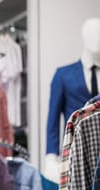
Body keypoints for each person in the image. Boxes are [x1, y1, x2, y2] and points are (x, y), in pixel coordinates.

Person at [45, 17, 100, 179]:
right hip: (74, 150)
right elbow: (53, 120)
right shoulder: (63, 75)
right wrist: (50, 156)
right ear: (84, 36)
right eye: (93, 34)